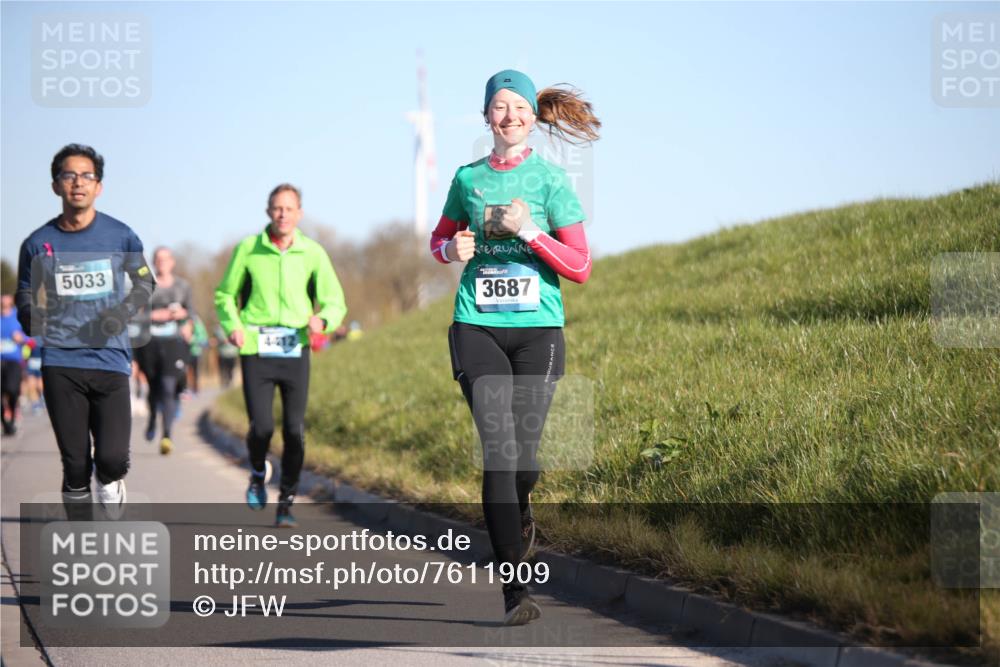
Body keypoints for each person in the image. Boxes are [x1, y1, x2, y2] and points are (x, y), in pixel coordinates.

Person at [430, 70, 598, 626]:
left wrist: (530, 232)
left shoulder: (552, 181)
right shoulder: (467, 178)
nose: (508, 116)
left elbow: (580, 266)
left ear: (532, 116)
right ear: (486, 117)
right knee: (498, 452)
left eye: (518, 107)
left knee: (525, 461)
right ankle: (513, 590)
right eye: (498, 107)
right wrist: (450, 250)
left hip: (538, 334)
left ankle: (523, 507)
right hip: (475, 325)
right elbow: (438, 240)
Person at [16, 143, 155, 517]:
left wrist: (122, 313)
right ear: (55, 185)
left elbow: (144, 283)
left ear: (99, 186)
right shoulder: (36, 243)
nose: (78, 182)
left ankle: (110, 482)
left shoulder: (121, 236)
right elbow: (25, 290)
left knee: (110, 459)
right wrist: (28, 312)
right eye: (69, 175)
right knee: (75, 464)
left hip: (110, 358)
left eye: (87, 176)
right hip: (60, 361)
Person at [215, 183, 347, 527]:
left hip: (295, 347)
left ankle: (286, 501)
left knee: (294, 430)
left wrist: (324, 319)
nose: (283, 214)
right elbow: (224, 295)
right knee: (261, 427)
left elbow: (335, 300)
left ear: (299, 213)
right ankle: (258, 472)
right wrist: (233, 324)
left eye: (289, 208)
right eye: (277, 208)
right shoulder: (248, 249)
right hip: (256, 347)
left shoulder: (313, 253)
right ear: (268, 212)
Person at [137, 247, 192, 455]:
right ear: (154, 262)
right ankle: (152, 419)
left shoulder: (183, 286)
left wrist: (184, 316)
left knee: (168, 387)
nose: (162, 263)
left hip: (174, 342)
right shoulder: (145, 286)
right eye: (158, 259)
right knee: (154, 388)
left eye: (166, 259)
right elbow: (135, 316)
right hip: (150, 344)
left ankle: (167, 434)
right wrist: (154, 315)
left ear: (172, 262)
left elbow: (191, 313)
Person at [1, 293, 26, 435]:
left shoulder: (17, 316)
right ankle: (6, 424)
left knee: (11, 390)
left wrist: (20, 337)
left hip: (13, 360)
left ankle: (13, 411)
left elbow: (29, 336)